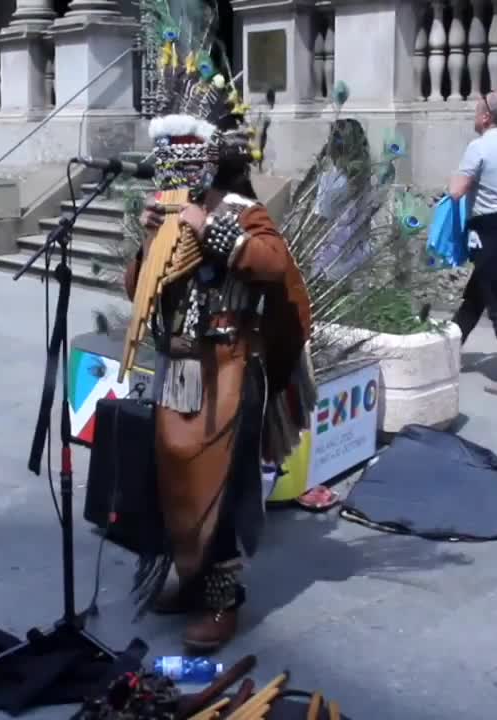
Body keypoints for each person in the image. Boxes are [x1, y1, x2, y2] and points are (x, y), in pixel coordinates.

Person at [123, 1, 315, 653]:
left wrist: (216, 232)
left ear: (206, 160)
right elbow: (137, 294)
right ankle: (187, 574)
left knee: (222, 491)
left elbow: (274, 263)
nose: (174, 169)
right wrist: (145, 247)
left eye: (184, 158)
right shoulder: (165, 213)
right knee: (175, 483)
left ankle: (222, 597)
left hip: (231, 365)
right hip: (176, 367)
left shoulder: (240, 209)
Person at [449, 92, 497, 395]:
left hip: (490, 231)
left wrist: (467, 181)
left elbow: (456, 191)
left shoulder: (479, 147)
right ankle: (447, 350)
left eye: (477, 111)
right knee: (477, 294)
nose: (475, 116)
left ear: (486, 117)